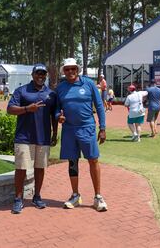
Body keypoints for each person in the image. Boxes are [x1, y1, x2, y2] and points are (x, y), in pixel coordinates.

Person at [56, 58, 108, 212]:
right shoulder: (60, 88)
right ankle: (75, 195)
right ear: (63, 71)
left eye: (73, 69)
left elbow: (99, 106)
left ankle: (98, 197)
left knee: (93, 160)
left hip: (87, 128)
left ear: (77, 70)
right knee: (72, 162)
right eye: (67, 69)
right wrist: (58, 115)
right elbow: (57, 108)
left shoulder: (89, 83)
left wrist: (103, 128)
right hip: (69, 130)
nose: (70, 71)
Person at [7, 64, 58, 214]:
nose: (40, 76)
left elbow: (54, 116)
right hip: (24, 137)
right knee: (21, 169)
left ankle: (37, 196)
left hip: (43, 137)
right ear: (32, 74)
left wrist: (55, 134)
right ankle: (18, 199)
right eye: (38, 73)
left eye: (43, 74)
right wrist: (27, 108)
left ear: (46, 75)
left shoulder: (51, 94)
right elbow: (10, 109)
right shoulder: (21, 91)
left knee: (40, 168)